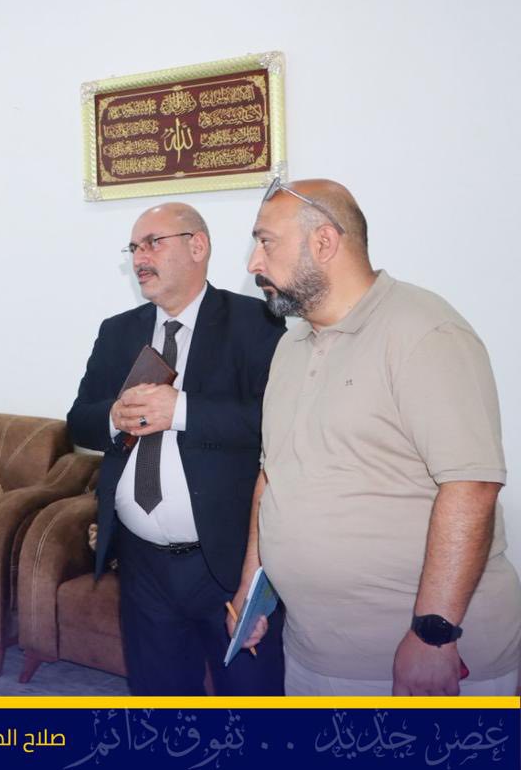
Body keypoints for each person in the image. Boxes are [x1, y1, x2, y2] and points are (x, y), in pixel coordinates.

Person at [235, 178, 521, 695]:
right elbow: (272, 477)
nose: (254, 263)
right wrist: (251, 591)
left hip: (423, 661)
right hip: (313, 653)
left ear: (324, 242)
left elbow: (472, 485)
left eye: (266, 242)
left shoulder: (424, 331)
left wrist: (433, 634)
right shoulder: (290, 348)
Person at [67, 202, 286, 695]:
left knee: (249, 703)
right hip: (141, 564)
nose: (139, 258)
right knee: (160, 703)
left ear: (197, 246)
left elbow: (275, 424)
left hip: (225, 562)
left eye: (153, 243)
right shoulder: (118, 331)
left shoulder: (255, 323)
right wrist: (113, 417)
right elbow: (78, 422)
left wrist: (181, 410)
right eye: (133, 248)